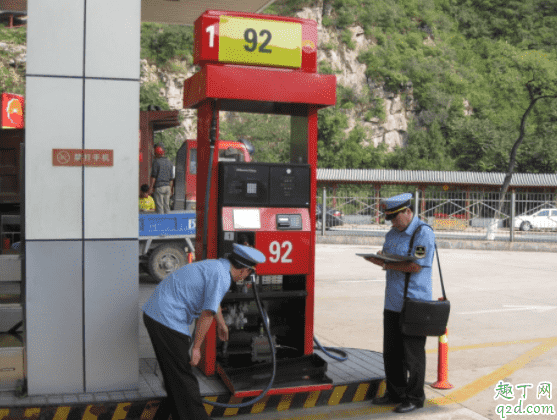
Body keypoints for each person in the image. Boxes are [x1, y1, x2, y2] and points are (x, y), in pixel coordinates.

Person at [142, 243, 266, 420]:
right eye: (250, 273)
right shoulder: (222, 277)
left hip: (158, 313)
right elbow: (207, 314)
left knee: (175, 374)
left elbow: (212, 300)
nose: (247, 277)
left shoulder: (218, 266)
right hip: (165, 318)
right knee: (183, 377)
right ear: (244, 271)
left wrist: (222, 324)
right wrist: (196, 348)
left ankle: (167, 415)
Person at [365, 193, 435, 414]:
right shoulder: (392, 233)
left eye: (396, 217)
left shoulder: (423, 233)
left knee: (413, 355)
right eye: (390, 219)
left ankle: (415, 397)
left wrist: (385, 265)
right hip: (393, 302)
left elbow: (415, 266)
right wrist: (380, 258)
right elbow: (389, 256)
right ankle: (395, 393)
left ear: (407, 211)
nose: (394, 222)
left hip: (414, 303)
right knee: (392, 352)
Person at [149, 144, 174, 214]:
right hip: (167, 187)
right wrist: (171, 189)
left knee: (160, 207)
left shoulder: (156, 162)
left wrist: (151, 188)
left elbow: (153, 177)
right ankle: (168, 222)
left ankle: (161, 223)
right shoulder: (170, 163)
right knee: (167, 206)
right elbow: (171, 178)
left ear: (157, 153)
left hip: (159, 187)